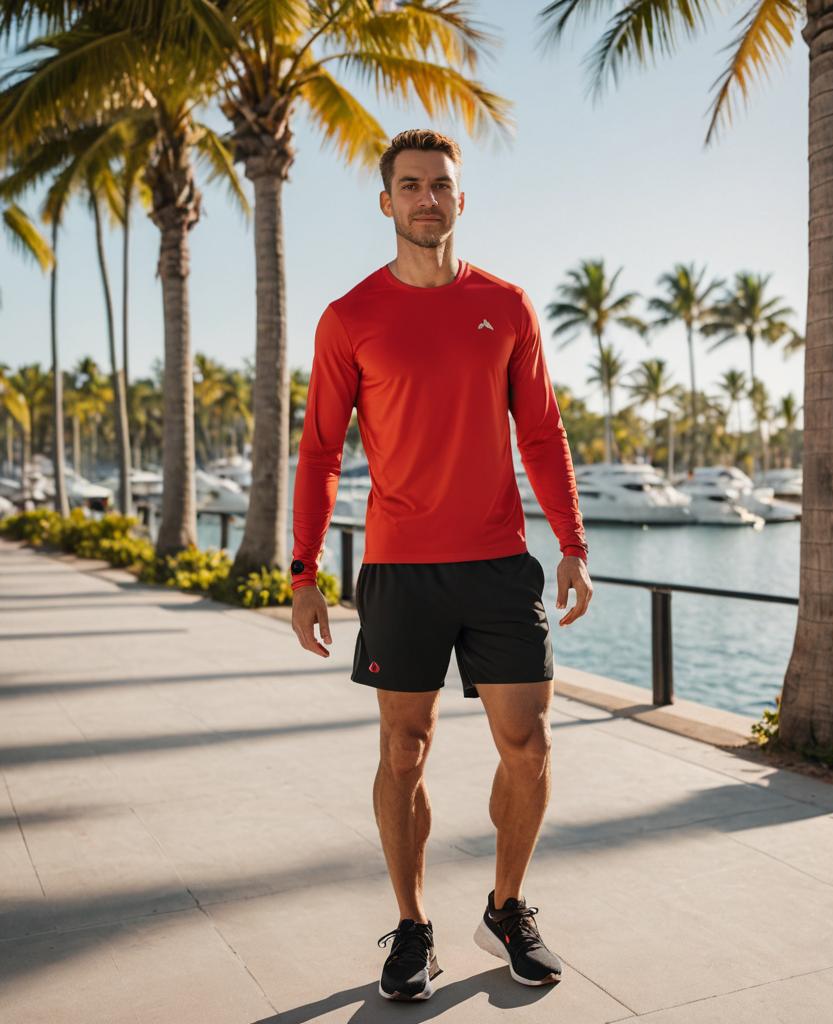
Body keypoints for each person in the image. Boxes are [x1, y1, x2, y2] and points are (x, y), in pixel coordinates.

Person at [289, 128, 593, 1002]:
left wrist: (570, 543)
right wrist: (304, 571)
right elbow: (319, 453)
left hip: (500, 563)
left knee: (528, 746)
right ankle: (413, 926)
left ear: (462, 200)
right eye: (411, 185)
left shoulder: (506, 304)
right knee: (402, 750)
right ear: (386, 203)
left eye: (442, 185)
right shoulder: (350, 317)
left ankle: (506, 906)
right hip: (401, 568)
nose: (428, 197)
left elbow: (541, 431)